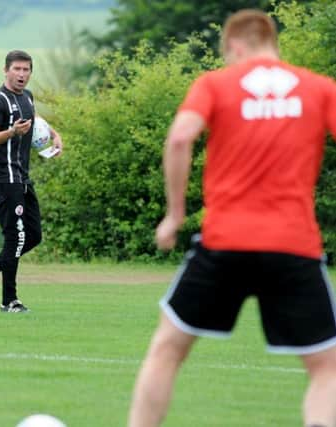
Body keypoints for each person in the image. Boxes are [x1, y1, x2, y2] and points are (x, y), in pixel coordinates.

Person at [128, 9, 336, 427]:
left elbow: (180, 137)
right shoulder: (320, 89)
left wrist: (175, 214)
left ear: (235, 45)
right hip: (293, 245)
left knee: (168, 349)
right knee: (326, 367)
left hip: (225, 243)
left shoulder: (215, 84)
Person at [0, 50, 63, 313]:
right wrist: (11, 132)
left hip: (22, 178)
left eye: (26, 70)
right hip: (3, 178)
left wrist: (54, 134)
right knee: (15, 238)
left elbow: (34, 119)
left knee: (33, 236)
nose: (22, 74)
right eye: (17, 69)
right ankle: (10, 301)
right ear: (6, 70)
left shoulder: (27, 97)